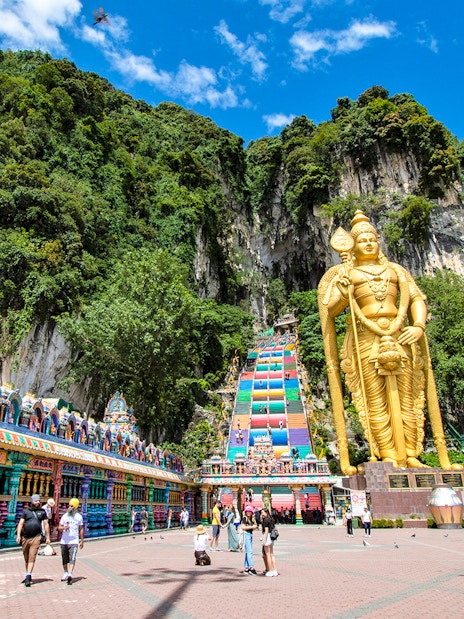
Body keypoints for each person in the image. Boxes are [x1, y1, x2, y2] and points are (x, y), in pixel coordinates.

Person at [318, 210, 457, 472]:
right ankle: (388, 455)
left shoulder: (396, 271)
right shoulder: (348, 274)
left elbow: (416, 298)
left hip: (400, 334)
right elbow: (330, 309)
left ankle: (412, 454)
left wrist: (418, 325)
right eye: (362, 240)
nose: (368, 242)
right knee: (375, 400)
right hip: (367, 339)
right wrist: (344, 292)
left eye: (372, 238)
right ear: (354, 246)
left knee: (408, 397)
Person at [16, 494, 50, 587]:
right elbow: (20, 523)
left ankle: (28, 576)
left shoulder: (42, 512)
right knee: (26, 557)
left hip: (36, 537)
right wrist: (18, 535)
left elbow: (46, 524)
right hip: (25, 537)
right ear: (32, 501)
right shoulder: (26, 512)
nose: (37, 502)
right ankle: (28, 574)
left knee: (32, 556)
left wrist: (48, 537)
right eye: (36, 501)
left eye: (38, 501)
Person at [58, 498, 84, 584]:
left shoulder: (79, 517)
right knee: (64, 558)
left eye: (72, 506)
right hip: (64, 541)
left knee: (72, 558)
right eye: (69, 505)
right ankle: (65, 572)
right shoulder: (65, 516)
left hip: (74, 541)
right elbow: (59, 527)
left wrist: (82, 540)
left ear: (76, 507)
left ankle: (70, 573)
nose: (70, 507)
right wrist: (63, 528)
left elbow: (81, 529)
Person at [260, 507, 278, 577]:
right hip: (272, 537)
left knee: (267, 555)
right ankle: (275, 570)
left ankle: (270, 570)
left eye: (262, 513)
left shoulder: (266, 520)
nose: (261, 514)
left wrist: (264, 540)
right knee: (271, 554)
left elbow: (266, 531)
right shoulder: (271, 519)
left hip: (267, 537)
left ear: (266, 513)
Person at [241, 505, 258, 575]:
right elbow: (243, 527)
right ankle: (251, 567)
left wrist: (254, 527)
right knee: (249, 551)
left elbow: (254, 526)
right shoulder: (244, 518)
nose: (248, 513)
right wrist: (252, 526)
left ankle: (246, 567)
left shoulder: (251, 519)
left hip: (250, 534)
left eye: (249, 512)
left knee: (248, 551)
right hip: (246, 534)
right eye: (247, 512)